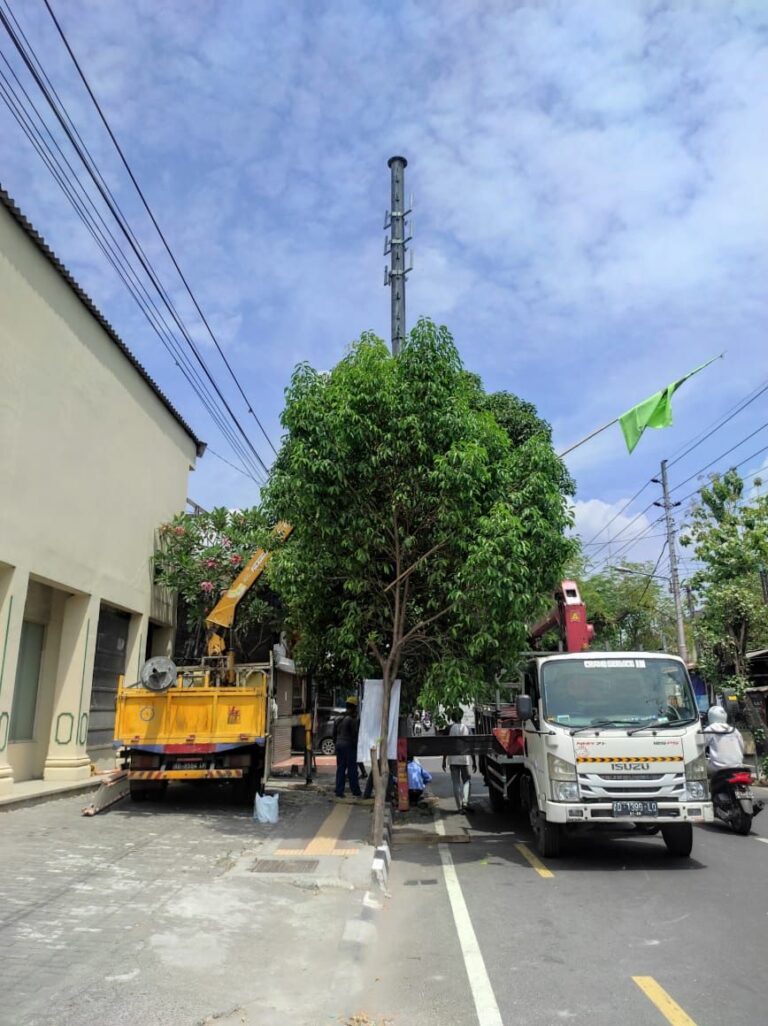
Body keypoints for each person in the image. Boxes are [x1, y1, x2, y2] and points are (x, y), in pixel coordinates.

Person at [442, 708, 476, 812]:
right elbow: (471, 746)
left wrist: (444, 760)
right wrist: (474, 761)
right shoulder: (467, 728)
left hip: (452, 759)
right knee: (466, 780)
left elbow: (445, 746)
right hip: (464, 759)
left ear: (452, 718)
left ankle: (459, 807)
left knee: (456, 783)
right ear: (461, 717)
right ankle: (465, 801)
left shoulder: (449, 728)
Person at [333, 697, 362, 798]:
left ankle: (339, 791)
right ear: (354, 707)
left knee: (340, 768)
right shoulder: (351, 719)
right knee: (352, 769)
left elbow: (334, 734)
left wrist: (336, 744)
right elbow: (354, 735)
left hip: (339, 744)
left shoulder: (338, 718)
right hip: (348, 745)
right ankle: (356, 791)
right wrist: (356, 747)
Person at [703, 705, 745, 774]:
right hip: (737, 766)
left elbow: (701, 748)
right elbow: (742, 747)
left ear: (710, 717)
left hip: (717, 768)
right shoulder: (734, 730)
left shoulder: (709, 730)